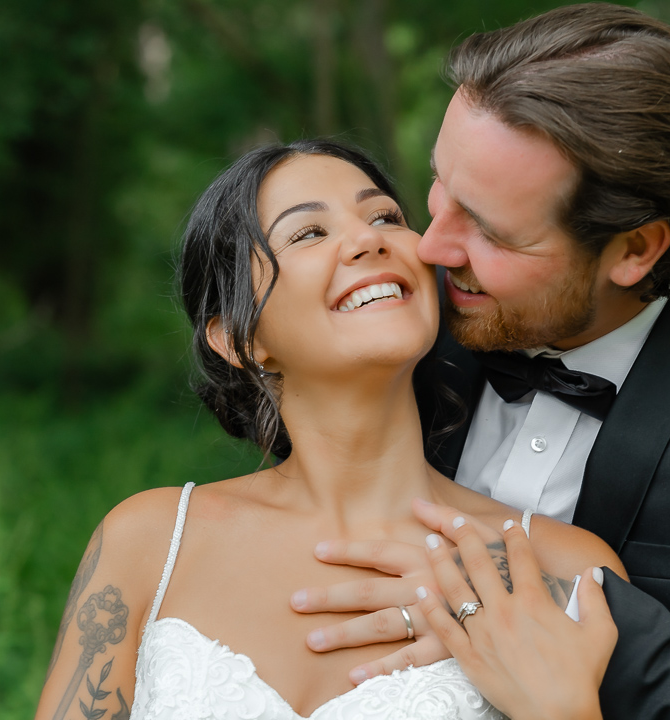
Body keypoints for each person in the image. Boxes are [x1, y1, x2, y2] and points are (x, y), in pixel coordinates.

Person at [290, 5, 670, 719]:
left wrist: (564, 618)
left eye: (491, 231)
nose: (433, 248)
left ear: (635, 250)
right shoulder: (397, 318)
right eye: (440, 192)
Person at [35, 139, 623, 720]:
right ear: (241, 339)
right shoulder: (150, 543)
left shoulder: (564, 568)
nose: (369, 239)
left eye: (386, 217)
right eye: (309, 233)